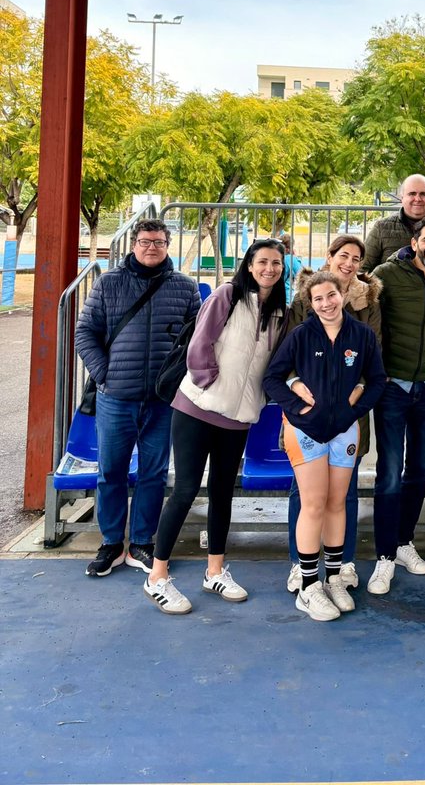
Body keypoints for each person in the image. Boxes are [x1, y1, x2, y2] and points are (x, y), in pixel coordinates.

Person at [143, 240, 286, 615]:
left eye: (276, 263)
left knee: (223, 491)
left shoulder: (278, 312)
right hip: (197, 409)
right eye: (262, 262)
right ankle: (157, 576)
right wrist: (209, 384)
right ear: (249, 265)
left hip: (238, 418)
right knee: (186, 490)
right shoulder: (227, 295)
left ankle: (215, 570)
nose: (269, 268)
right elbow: (199, 344)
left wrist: (258, 398)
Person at [75, 220, 201, 578]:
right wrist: (105, 374)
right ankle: (112, 542)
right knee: (111, 471)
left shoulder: (185, 288)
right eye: (145, 241)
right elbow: (85, 332)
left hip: (163, 401)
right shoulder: (108, 283)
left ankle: (143, 542)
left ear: (168, 245)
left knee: (154, 473)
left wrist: (180, 381)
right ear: (133, 244)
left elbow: (199, 340)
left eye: (159, 242)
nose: (152, 247)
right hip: (116, 397)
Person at [264, 271, 387, 621]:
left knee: (337, 505)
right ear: (310, 303)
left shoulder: (361, 335)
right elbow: (272, 378)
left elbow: (378, 380)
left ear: (342, 294)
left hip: (346, 431)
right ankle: (308, 586)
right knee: (314, 504)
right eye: (318, 299)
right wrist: (297, 406)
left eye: (331, 295)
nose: (326, 303)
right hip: (306, 431)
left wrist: (356, 408)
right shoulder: (301, 335)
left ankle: (333, 577)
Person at [281, 234, 382, 595]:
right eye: (344, 255)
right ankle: (302, 566)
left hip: (349, 415)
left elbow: (374, 360)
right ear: (330, 257)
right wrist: (294, 386)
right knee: (306, 494)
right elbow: (286, 355)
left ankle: (342, 565)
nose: (350, 262)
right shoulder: (305, 301)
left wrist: (359, 391)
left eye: (357, 258)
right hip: (308, 416)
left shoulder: (368, 304)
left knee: (344, 493)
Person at [367, 216, 425, 595]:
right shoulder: (386, 273)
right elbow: (365, 316)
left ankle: (404, 543)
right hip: (392, 388)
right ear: (414, 241)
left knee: (418, 471)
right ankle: (384, 557)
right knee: (388, 474)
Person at [361, 174, 425, 271]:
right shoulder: (382, 228)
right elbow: (362, 270)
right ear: (402, 198)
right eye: (412, 194)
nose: (417, 199)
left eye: (423, 194)